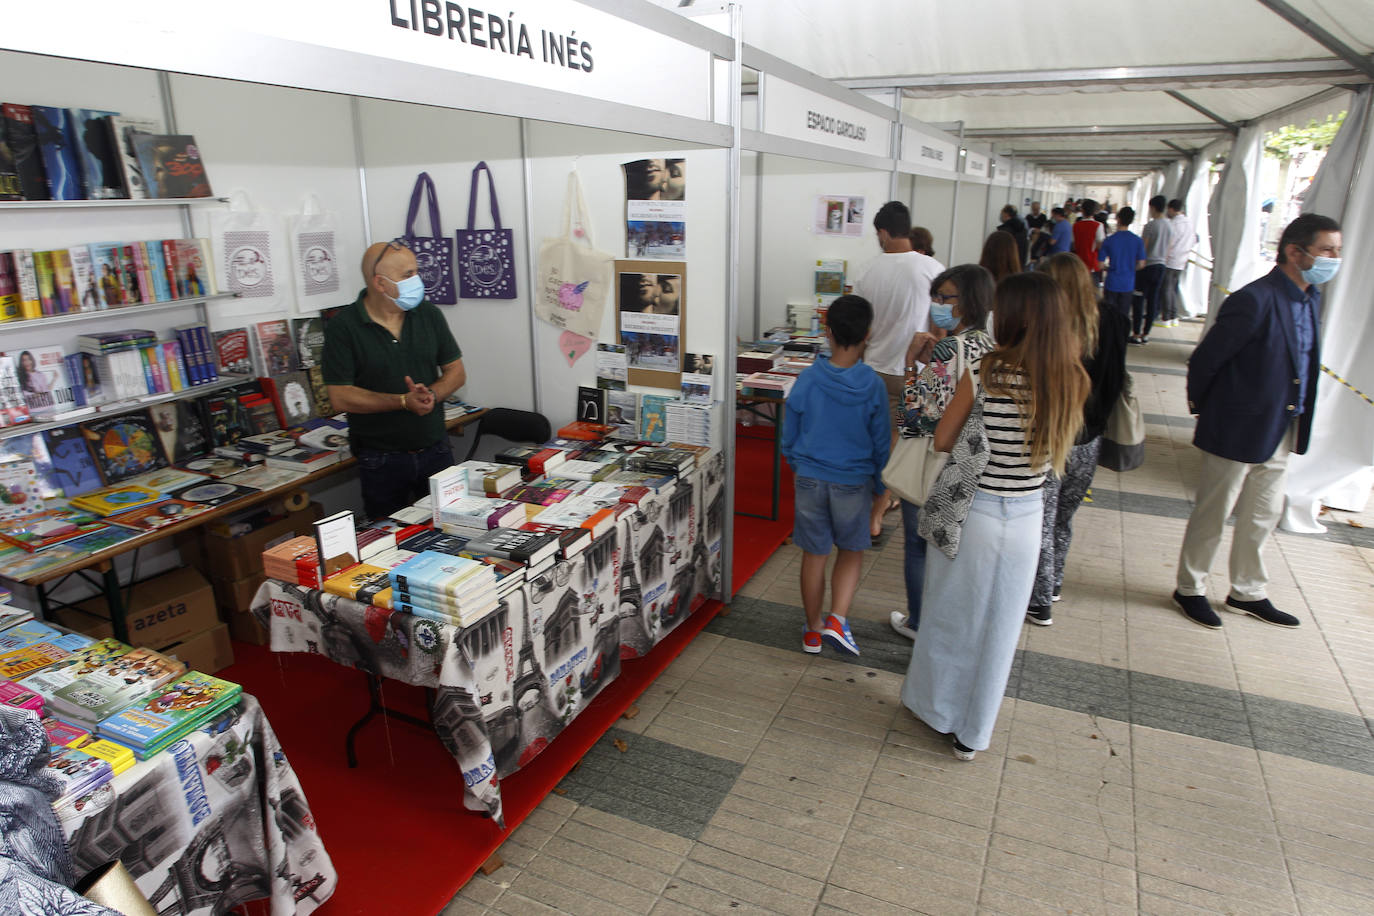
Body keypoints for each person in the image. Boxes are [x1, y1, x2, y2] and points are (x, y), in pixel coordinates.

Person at [901, 272, 1089, 759]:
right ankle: (973, 735)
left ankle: (937, 709)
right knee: (1001, 630)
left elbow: (942, 439)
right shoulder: (1072, 376)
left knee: (950, 616)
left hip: (976, 511)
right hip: (1027, 517)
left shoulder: (988, 369)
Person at [1172, 214, 1341, 630]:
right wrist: (1208, 410)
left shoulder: (1310, 297)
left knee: (1263, 513)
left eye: (1337, 250)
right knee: (1214, 511)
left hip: (1284, 426)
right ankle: (1189, 588)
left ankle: (1247, 590)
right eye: (1327, 250)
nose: (1335, 259)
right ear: (1293, 252)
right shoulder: (1254, 298)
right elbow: (1206, 360)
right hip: (1237, 426)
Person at [778, 294, 890, 658]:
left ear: (826, 331)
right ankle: (838, 620)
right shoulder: (872, 385)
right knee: (852, 550)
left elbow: (789, 434)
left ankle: (812, 631)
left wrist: (801, 465)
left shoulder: (808, 379)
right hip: (853, 483)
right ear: (868, 334)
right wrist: (879, 491)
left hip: (810, 478)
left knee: (814, 554)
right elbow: (881, 445)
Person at [323, 239, 466, 521]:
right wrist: (402, 401)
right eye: (407, 275)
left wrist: (432, 396)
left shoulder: (428, 314)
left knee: (455, 529)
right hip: (382, 459)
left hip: (435, 449)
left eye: (416, 271)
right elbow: (340, 396)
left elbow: (456, 371)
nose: (418, 280)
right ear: (380, 283)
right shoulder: (344, 327)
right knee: (390, 542)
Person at [890, 264, 996, 641]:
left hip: (932, 461)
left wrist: (909, 365)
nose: (936, 305)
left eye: (944, 298)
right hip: (969, 465)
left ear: (968, 302)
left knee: (918, 546)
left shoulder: (949, 347)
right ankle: (947, 622)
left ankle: (920, 622)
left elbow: (915, 417)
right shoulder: (989, 345)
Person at [1026, 253, 1129, 625]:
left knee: (1040, 516)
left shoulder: (1048, 325)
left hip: (1052, 435)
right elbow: (1117, 380)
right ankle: (1053, 583)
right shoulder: (1114, 321)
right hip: (1090, 437)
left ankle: (1039, 600)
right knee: (1064, 517)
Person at [852, 201, 944, 534]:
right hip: (915, 377)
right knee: (904, 443)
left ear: (883, 232)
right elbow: (940, 328)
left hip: (873, 372)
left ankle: (874, 507)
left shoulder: (866, 271)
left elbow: (859, 329)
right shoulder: (933, 269)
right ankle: (879, 511)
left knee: (873, 443)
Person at [1133, 195, 1173, 344]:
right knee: (1153, 301)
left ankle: (1136, 333)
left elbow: (1144, 247)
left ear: (1153, 207)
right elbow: (1169, 247)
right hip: (1161, 266)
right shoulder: (1170, 225)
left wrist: (1138, 264)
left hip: (1147, 266)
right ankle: (1146, 334)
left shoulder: (1151, 225)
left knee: (1139, 299)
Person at [1098, 206, 1146, 317]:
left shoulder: (1109, 240)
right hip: (1128, 283)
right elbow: (1141, 264)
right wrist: (1130, 268)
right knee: (1123, 316)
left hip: (1112, 282)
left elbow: (1100, 265)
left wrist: (1108, 268)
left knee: (1109, 316)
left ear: (1118, 219)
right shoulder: (1138, 241)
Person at [1161, 198, 1196, 326]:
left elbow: (1170, 243)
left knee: (1167, 288)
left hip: (1171, 259)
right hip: (1182, 260)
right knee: (1174, 288)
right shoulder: (1189, 223)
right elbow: (1194, 240)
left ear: (1171, 209)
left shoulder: (1174, 224)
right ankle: (1174, 316)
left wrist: (1164, 256)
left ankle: (1167, 317)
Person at [1071, 198, 1104, 282]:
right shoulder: (1098, 225)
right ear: (1094, 211)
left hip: (1078, 263)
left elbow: (1074, 245)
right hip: (1092, 264)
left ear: (1082, 210)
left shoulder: (1075, 226)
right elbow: (1100, 246)